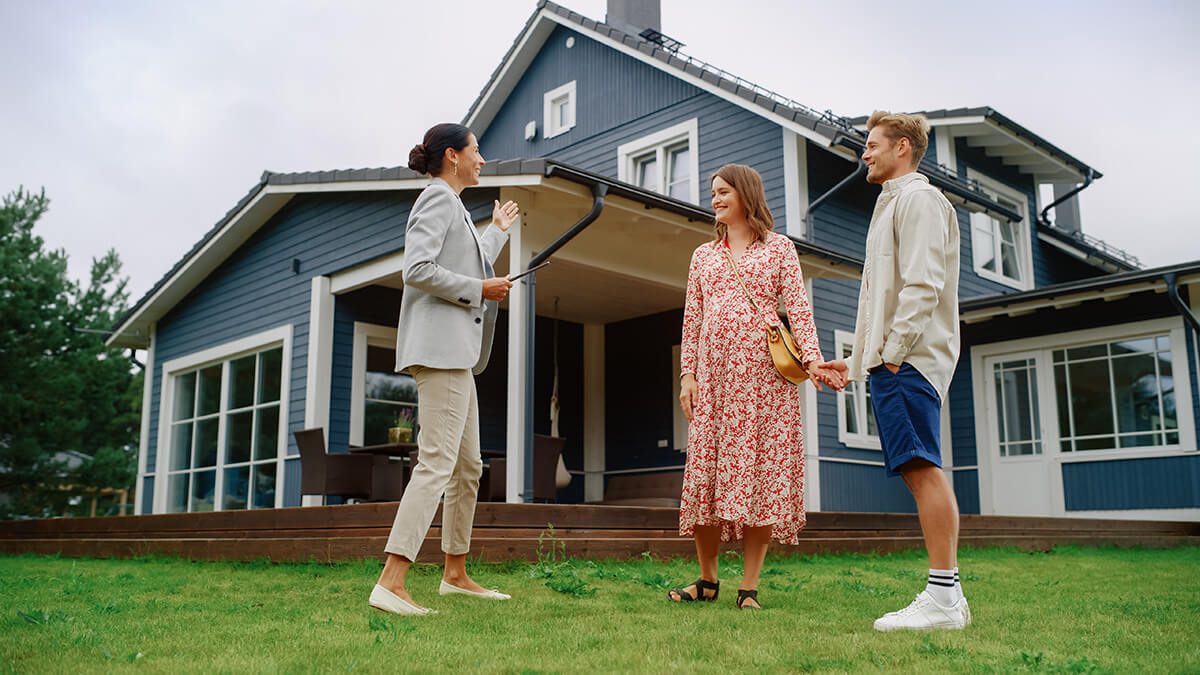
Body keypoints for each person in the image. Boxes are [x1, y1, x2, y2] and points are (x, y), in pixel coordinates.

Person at [672, 164, 845, 610]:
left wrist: (813, 361)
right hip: (713, 381)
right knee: (706, 477)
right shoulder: (703, 256)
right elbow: (692, 322)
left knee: (762, 477)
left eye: (723, 191)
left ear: (746, 194)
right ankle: (707, 581)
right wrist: (687, 375)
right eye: (712, 192)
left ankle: (749, 587)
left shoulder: (780, 249)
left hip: (765, 383)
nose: (715, 199)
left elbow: (800, 312)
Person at [824, 111, 970, 630]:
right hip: (895, 360)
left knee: (921, 469)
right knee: (920, 469)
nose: (864, 153)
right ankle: (948, 596)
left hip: (908, 361)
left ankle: (944, 599)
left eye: (872, 144)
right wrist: (862, 356)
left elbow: (923, 285)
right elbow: (881, 297)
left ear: (902, 147)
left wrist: (891, 354)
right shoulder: (893, 204)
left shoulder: (918, 200)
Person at [369, 123, 520, 616]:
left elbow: (462, 258)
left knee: (468, 467)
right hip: (440, 353)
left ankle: (454, 573)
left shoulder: (453, 204)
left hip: (456, 355)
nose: (483, 159)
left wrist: (496, 233)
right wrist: (482, 289)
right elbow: (417, 269)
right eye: (477, 151)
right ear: (453, 156)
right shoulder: (436, 199)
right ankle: (392, 580)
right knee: (437, 462)